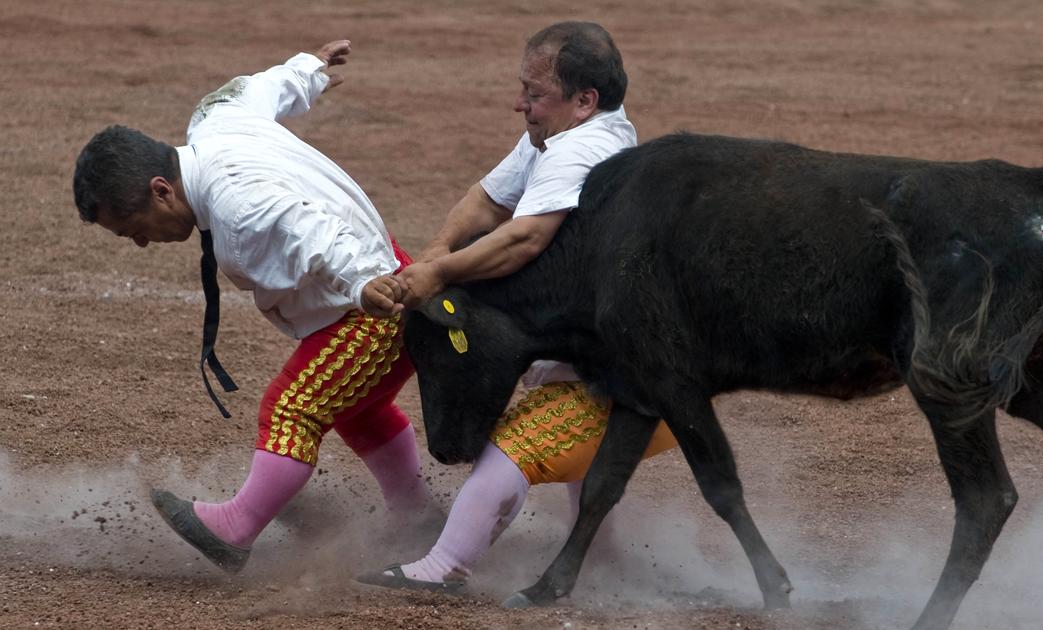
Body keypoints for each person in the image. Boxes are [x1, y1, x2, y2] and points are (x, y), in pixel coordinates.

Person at [72, 40, 436, 574]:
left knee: (292, 408)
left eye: (133, 230)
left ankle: (236, 528)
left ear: (161, 190)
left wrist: (363, 284)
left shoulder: (236, 202)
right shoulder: (213, 121)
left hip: (373, 302)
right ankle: (418, 518)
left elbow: (312, 231)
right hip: (384, 275)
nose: (142, 244)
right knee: (358, 409)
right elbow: (255, 89)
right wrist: (307, 70)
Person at [355, 21, 676, 593]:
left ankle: (444, 567)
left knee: (514, 447)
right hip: (617, 352)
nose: (519, 104)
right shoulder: (560, 134)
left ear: (585, 101)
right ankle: (601, 561)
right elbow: (487, 199)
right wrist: (432, 255)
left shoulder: (584, 150)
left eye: (534, 94)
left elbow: (523, 238)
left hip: (647, 377)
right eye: (523, 88)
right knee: (571, 439)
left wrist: (440, 273)